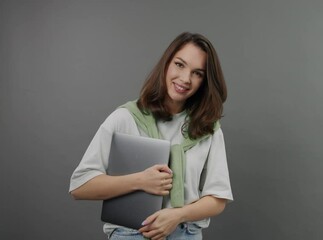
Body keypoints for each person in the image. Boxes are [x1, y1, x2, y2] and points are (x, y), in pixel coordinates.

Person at [69, 32, 233, 240]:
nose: (185, 79)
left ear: (205, 81)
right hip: (132, 233)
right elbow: (80, 186)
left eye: (197, 73)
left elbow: (218, 198)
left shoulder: (208, 129)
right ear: (166, 64)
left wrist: (177, 215)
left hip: (186, 233)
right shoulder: (126, 118)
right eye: (179, 64)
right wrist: (140, 181)